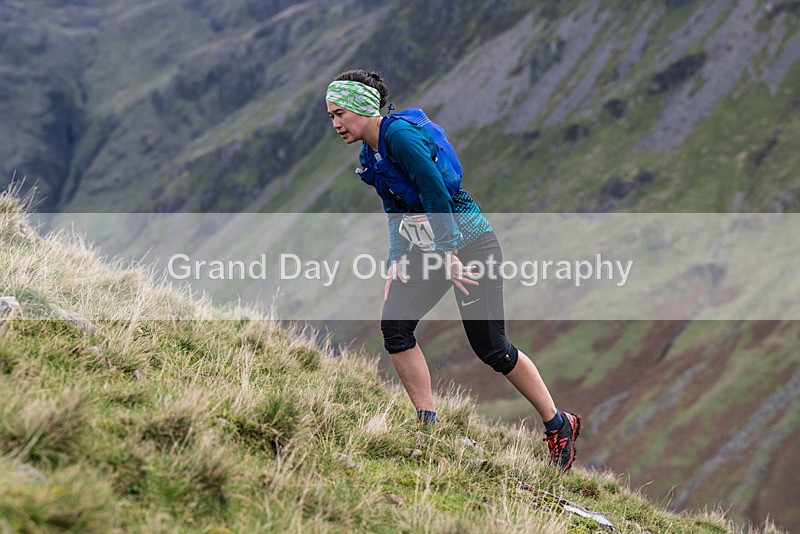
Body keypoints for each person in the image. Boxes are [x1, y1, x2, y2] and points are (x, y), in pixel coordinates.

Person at [325, 69, 581, 472]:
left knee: (491, 347)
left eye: (340, 113)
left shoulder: (400, 138)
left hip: (470, 243)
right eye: (331, 116)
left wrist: (448, 252)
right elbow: (396, 208)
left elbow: (435, 193)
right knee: (395, 327)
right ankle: (428, 426)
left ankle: (558, 423)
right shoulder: (369, 153)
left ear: (361, 106)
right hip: (437, 249)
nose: (336, 123)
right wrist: (396, 260)